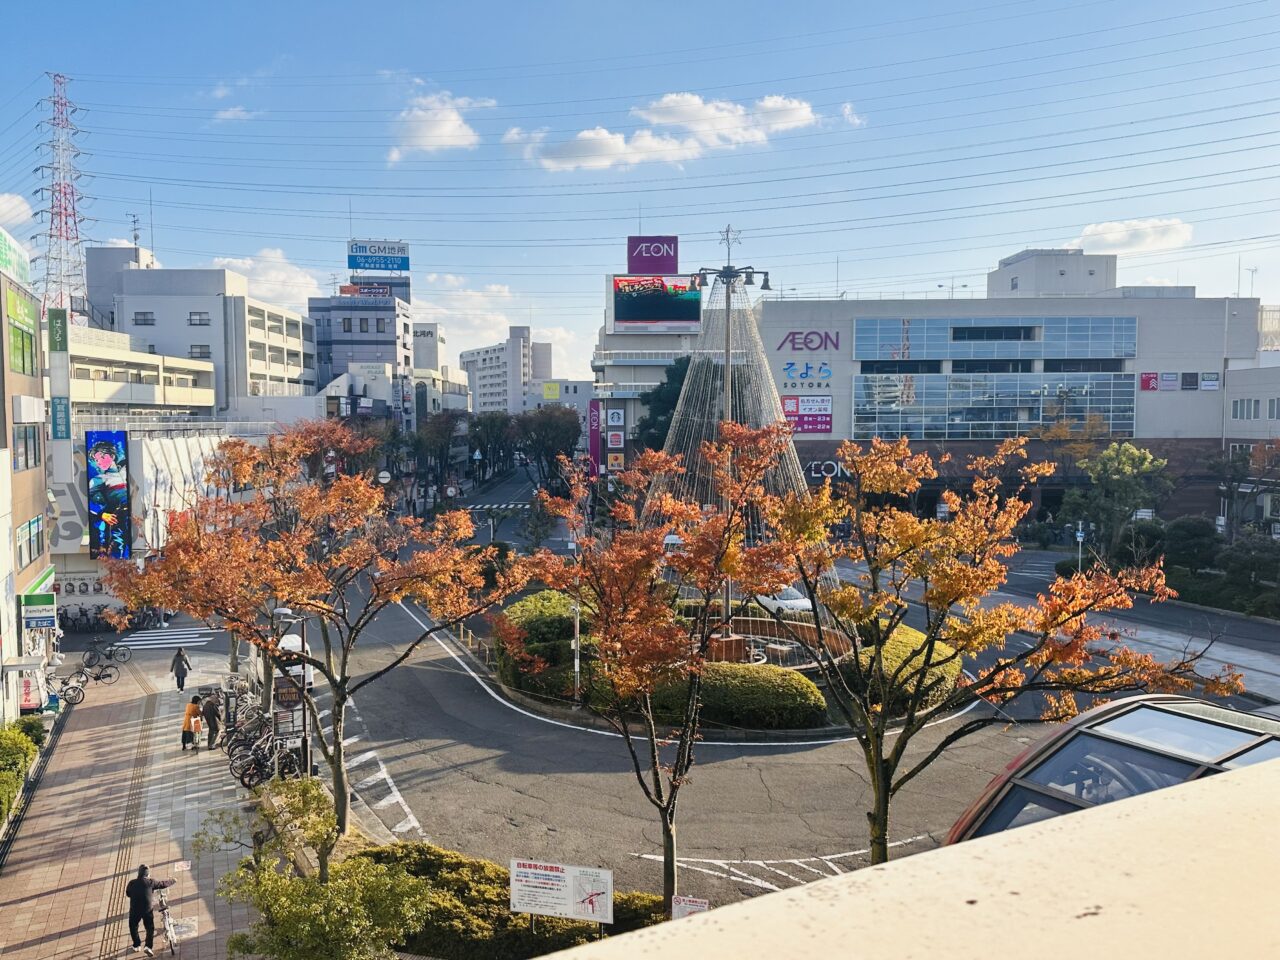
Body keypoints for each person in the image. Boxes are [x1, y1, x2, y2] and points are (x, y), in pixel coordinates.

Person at [124, 864, 174, 956]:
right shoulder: (151, 882)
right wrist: (172, 881)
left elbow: (128, 893)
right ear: (147, 874)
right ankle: (148, 946)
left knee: (133, 926)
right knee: (149, 928)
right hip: (147, 910)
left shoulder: (132, 883)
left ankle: (136, 945)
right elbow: (162, 884)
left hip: (134, 910)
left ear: (139, 873)